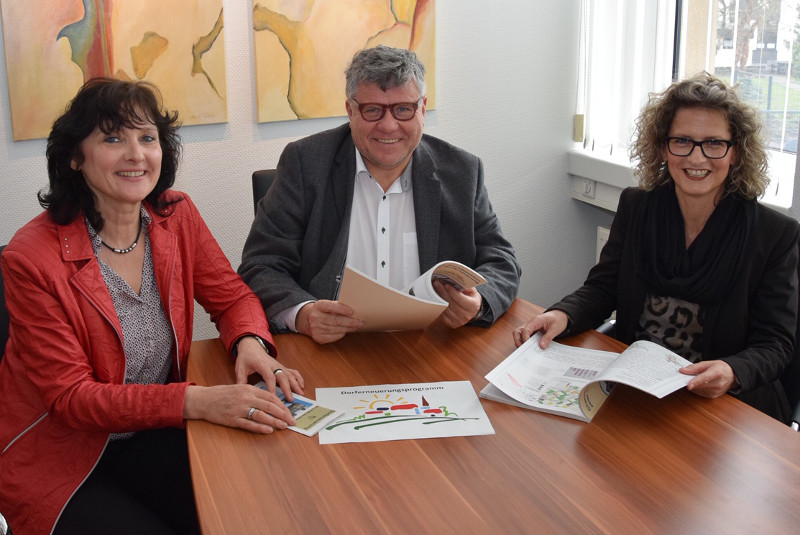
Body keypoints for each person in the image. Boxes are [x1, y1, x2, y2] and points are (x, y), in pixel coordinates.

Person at [0, 78, 305, 535]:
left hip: (150, 433)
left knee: (255, 502)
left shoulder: (174, 215)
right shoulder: (30, 258)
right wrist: (196, 400)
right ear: (75, 157)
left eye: (147, 138)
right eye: (112, 138)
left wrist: (250, 341)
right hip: (64, 455)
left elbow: (232, 296)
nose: (136, 154)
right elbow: (72, 399)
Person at [514, 72, 799, 423]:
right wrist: (562, 314)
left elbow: (775, 344)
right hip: (637, 388)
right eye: (682, 141)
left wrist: (732, 370)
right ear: (664, 147)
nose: (697, 158)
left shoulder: (773, 235)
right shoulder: (638, 207)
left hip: (722, 405)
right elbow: (603, 288)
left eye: (714, 143)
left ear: (735, 152)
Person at [239, 45, 521, 344]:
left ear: (422, 108)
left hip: (430, 346)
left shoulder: (462, 172)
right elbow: (262, 264)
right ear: (350, 110)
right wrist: (304, 314)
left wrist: (478, 303)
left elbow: (502, 261)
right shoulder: (306, 163)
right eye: (373, 110)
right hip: (330, 348)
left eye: (403, 109)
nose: (388, 125)